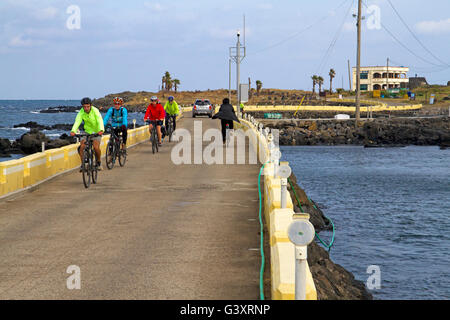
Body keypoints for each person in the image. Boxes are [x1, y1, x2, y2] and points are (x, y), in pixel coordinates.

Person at [70, 97, 105, 170]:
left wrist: (101, 130)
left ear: (90, 105)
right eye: (84, 107)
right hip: (87, 131)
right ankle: (84, 164)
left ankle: (98, 162)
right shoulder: (81, 112)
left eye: (87, 106)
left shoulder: (95, 111)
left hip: (97, 131)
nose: (86, 108)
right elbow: (77, 121)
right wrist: (73, 131)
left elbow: (99, 120)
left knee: (96, 147)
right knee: (82, 146)